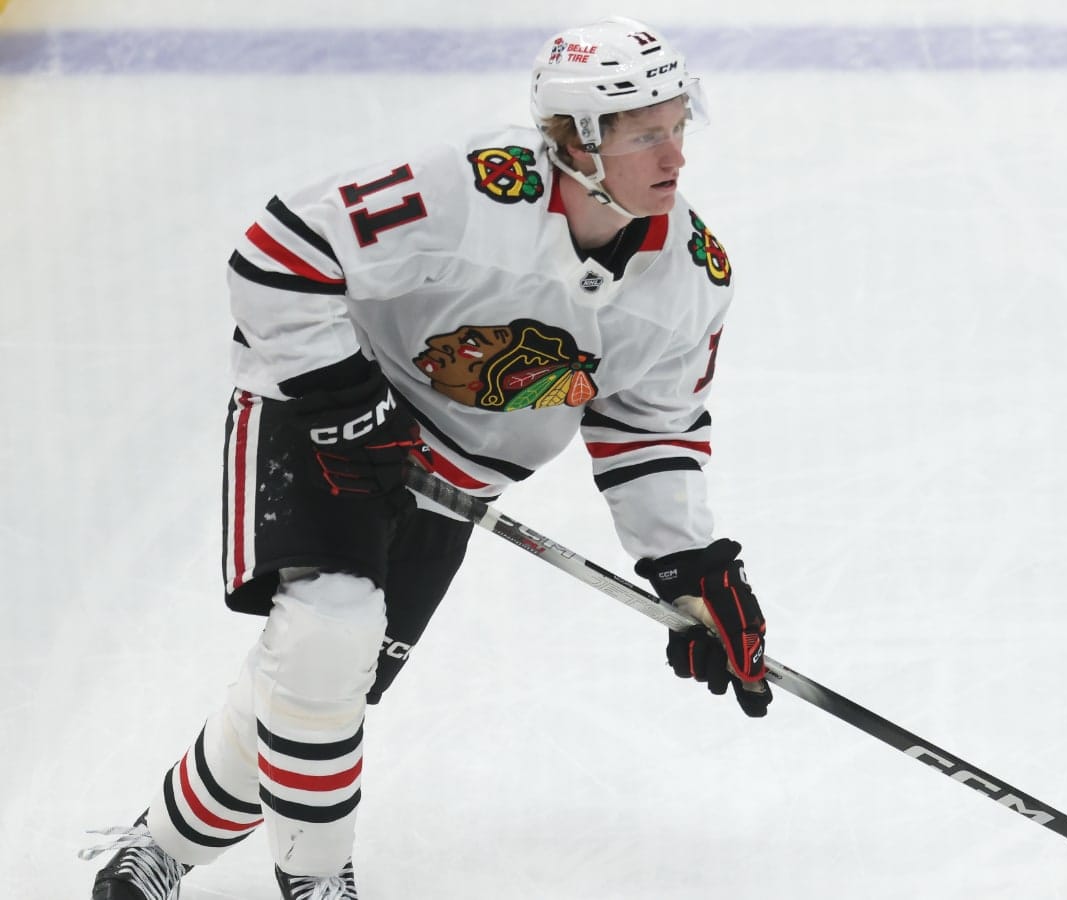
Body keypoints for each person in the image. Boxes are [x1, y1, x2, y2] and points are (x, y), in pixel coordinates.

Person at [81, 16, 769, 900]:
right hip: (325, 412)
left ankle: (163, 848)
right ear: (578, 142)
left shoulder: (691, 278)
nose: (675, 155)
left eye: (679, 125)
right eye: (647, 135)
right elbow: (278, 253)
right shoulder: (469, 191)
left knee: (319, 693)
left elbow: (650, 433)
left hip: (457, 482)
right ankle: (320, 883)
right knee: (327, 634)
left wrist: (688, 567)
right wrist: (342, 394)